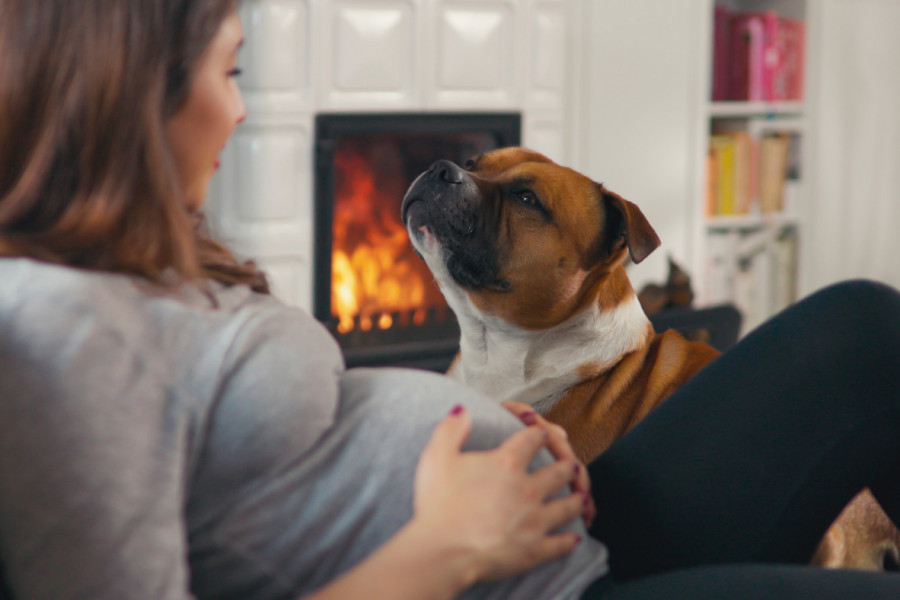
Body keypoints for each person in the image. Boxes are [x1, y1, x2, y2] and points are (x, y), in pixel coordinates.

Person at [1, 2, 900, 600]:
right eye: (231, 72)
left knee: (861, 327)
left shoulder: (120, 273)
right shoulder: (63, 326)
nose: (239, 112)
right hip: (526, 578)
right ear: (130, 97)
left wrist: (493, 427)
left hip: (551, 522)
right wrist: (453, 541)